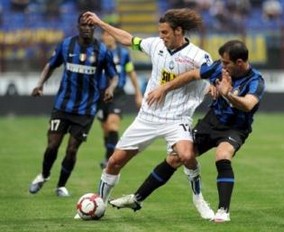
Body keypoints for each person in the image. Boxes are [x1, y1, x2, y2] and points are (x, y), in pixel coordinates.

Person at [109, 40, 265, 223]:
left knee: (222, 156)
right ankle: (136, 199)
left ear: (239, 63)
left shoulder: (256, 80)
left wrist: (228, 93)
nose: (222, 65)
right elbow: (192, 75)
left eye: (226, 62)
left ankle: (223, 210)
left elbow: (248, 105)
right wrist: (165, 87)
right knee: (176, 158)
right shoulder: (218, 69)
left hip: (235, 127)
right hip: (211, 121)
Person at [81, 8, 215, 219]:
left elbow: (213, 73)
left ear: (179, 31)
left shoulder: (198, 56)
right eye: (160, 32)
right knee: (115, 161)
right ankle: (100, 203)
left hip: (177, 118)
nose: (161, 37)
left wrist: (214, 85)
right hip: (148, 116)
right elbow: (128, 39)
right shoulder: (155, 45)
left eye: (165, 33)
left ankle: (198, 199)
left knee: (187, 155)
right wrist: (101, 23)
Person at [28, 13, 118, 197]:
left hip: (86, 110)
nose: (87, 28)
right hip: (62, 106)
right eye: (84, 25)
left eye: (91, 25)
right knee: (52, 145)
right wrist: (39, 84)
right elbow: (51, 65)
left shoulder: (102, 51)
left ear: (94, 28)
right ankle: (44, 175)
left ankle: (61, 185)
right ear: (78, 26)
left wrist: (110, 88)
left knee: (71, 149)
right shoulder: (66, 45)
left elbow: (114, 76)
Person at [97, 29, 143, 169]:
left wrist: (138, 94)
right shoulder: (96, 53)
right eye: (105, 35)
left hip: (117, 94)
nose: (108, 37)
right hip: (100, 95)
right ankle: (108, 154)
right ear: (103, 37)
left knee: (112, 125)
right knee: (105, 129)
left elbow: (131, 73)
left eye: (110, 35)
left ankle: (110, 159)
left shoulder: (123, 54)